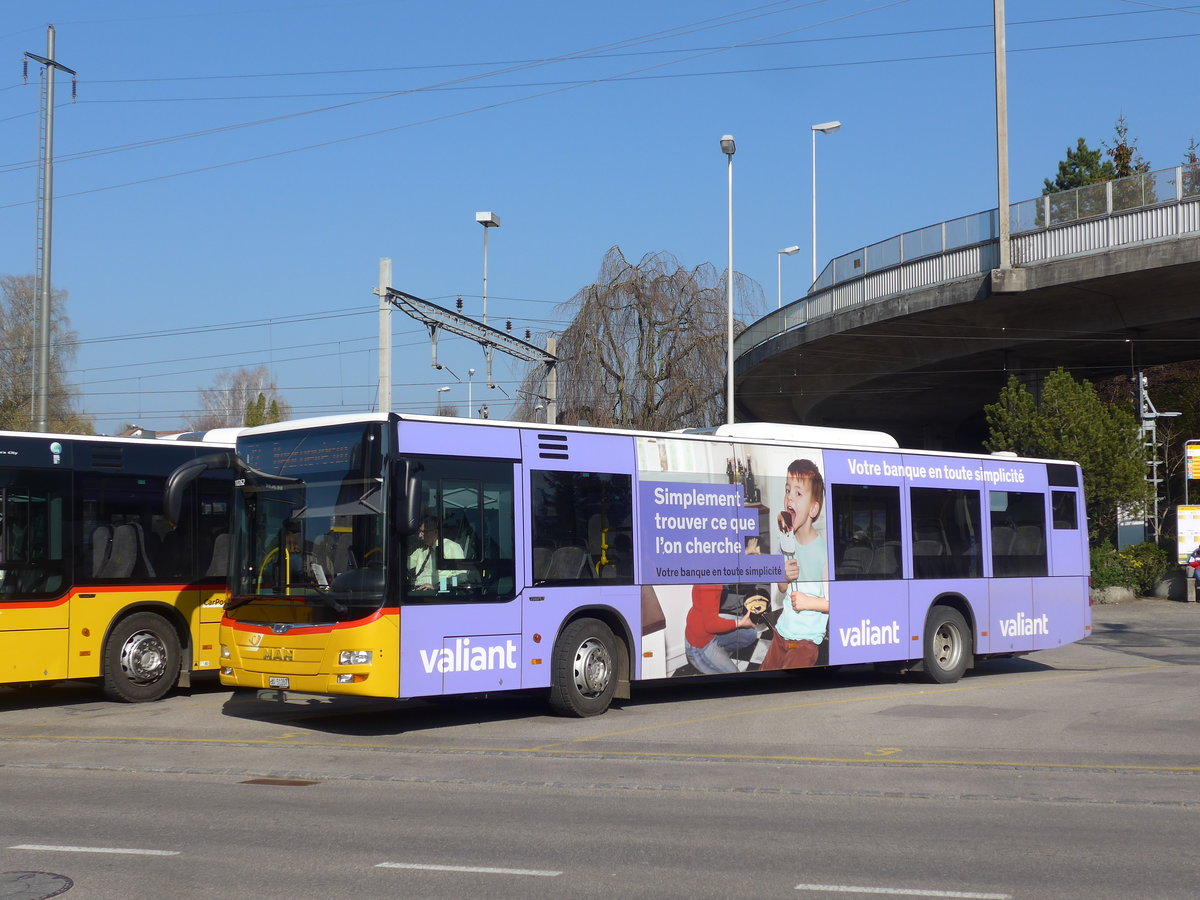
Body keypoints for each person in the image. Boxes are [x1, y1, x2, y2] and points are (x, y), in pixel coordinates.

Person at [761, 458, 828, 670]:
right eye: (787, 490)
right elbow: (782, 588)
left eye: (798, 493)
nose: (789, 497)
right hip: (782, 633)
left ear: (813, 509)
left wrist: (808, 602)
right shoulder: (787, 543)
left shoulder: (824, 553)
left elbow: (835, 603)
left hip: (806, 642)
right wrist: (784, 575)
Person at [683, 583, 760, 674]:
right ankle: (706, 661)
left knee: (750, 633)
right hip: (700, 645)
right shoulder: (708, 584)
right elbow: (711, 625)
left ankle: (720, 654)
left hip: (711, 626)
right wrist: (740, 623)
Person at [407, 515, 465, 593]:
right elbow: (406, 564)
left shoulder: (450, 546)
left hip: (437, 592)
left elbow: (461, 576)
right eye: (419, 532)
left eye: (423, 532)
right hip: (418, 589)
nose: (420, 535)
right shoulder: (422, 550)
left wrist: (437, 586)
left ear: (435, 532)